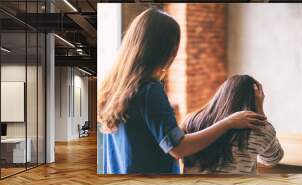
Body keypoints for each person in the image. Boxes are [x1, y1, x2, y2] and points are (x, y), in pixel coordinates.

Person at [97, 8, 266, 174]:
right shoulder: (150, 90)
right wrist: (228, 122)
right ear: (162, 50)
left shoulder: (112, 88)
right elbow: (178, 148)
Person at [183, 75, 284, 174]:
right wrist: (260, 110)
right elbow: (274, 158)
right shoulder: (259, 130)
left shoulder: (191, 121)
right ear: (256, 99)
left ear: (221, 94)